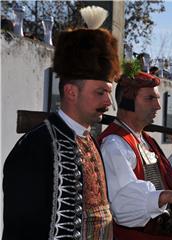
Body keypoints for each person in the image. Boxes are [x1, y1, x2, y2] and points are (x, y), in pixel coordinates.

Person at [3, 6, 120, 240]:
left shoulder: (90, 141)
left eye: (109, 93)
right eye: (100, 92)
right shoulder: (35, 148)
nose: (109, 101)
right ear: (71, 92)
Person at [97, 70, 172, 240]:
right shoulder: (114, 144)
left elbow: (157, 182)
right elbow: (124, 206)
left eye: (157, 98)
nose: (157, 106)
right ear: (128, 102)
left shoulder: (144, 139)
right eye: (150, 98)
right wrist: (168, 196)